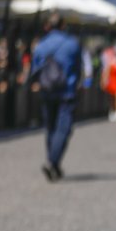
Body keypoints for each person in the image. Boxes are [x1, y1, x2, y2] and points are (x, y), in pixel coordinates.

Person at [30, 12, 82, 182]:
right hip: (66, 92)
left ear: (47, 26)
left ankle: (54, 164)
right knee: (63, 129)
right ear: (63, 26)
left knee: (51, 128)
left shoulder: (40, 46)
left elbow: (34, 70)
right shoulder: (72, 44)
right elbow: (78, 68)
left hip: (47, 91)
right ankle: (52, 161)